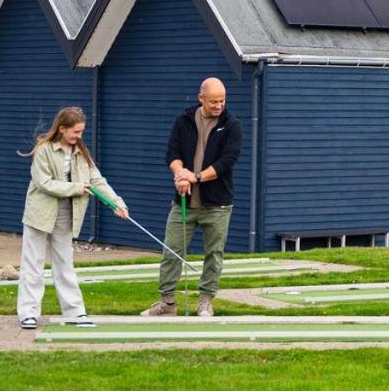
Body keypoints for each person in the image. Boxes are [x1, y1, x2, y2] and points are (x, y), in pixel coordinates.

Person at [18, 106, 127, 329]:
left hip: (67, 215)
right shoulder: (44, 150)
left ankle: (75, 313)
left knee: (65, 264)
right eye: (75, 132)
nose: (79, 136)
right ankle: (28, 314)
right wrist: (77, 187)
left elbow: (97, 181)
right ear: (61, 129)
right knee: (33, 265)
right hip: (40, 214)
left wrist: (116, 203)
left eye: (81, 132)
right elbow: (44, 183)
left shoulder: (81, 153)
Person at [141, 77, 242, 318]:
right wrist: (180, 175)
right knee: (172, 250)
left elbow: (225, 163)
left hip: (217, 204)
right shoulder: (184, 121)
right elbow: (172, 154)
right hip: (184, 200)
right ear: (201, 99)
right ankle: (166, 302)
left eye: (222, 101)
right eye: (213, 101)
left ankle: (206, 300)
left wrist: (194, 177)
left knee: (214, 254)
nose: (219, 106)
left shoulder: (232, 125)